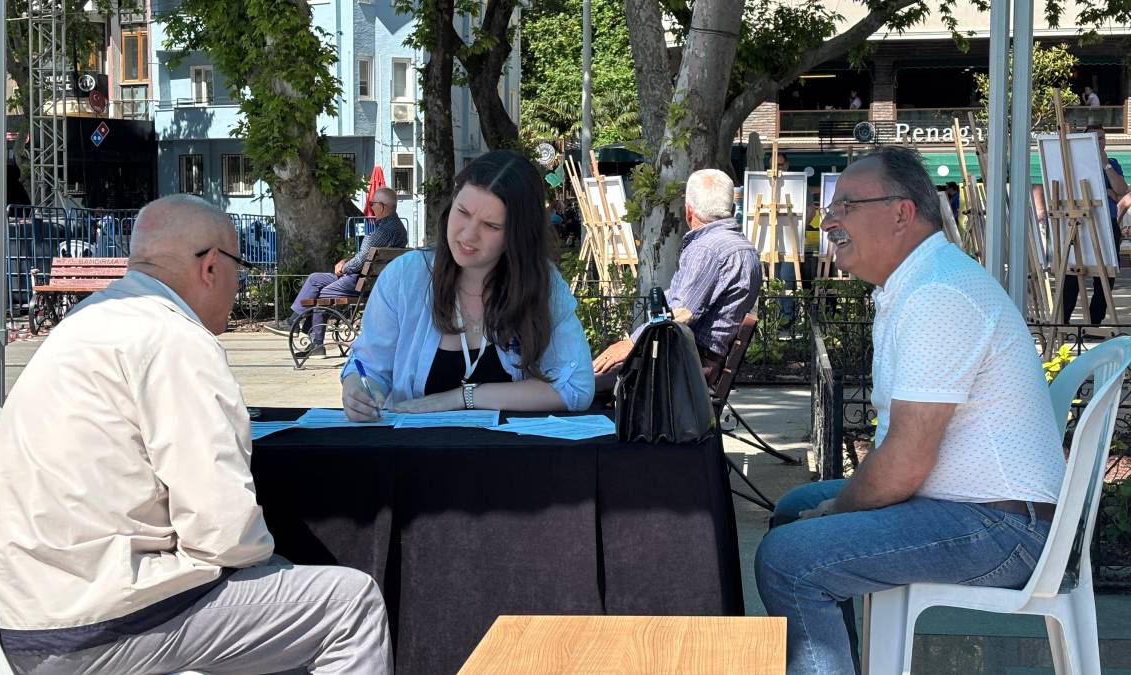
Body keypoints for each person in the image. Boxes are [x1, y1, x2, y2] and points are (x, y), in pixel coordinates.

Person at [0, 195, 393, 675]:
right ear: (211, 266)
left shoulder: (88, 319)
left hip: (16, 612)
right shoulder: (174, 339)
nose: (241, 282)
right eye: (241, 266)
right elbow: (223, 532)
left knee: (275, 596)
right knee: (349, 606)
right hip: (95, 623)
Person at [756, 146, 1063, 675]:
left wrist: (840, 510)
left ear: (901, 212)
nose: (826, 220)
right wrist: (833, 508)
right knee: (795, 510)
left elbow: (905, 460)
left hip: (1006, 528)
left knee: (789, 560)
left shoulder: (938, 292)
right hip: (980, 507)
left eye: (846, 206)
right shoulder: (920, 282)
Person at [341, 149, 594, 421]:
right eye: (462, 212)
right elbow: (368, 367)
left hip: (512, 460)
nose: (468, 235)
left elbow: (575, 389)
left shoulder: (543, 284)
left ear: (517, 235)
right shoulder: (405, 278)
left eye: (491, 225)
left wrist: (463, 397)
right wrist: (357, 388)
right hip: (414, 459)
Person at [592, 169, 761, 385]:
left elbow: (678, 316)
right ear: (732, 208)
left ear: (688, 211)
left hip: (682, 365)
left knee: (580, 385)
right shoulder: (745, 248)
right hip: (700, 362)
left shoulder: (706, 249)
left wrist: (629, 343)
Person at [265, 186, 407, 357]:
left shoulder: (380, 232)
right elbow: (366, 257)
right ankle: (292, 321)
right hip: (370, 279)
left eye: (372, 204)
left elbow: (361, 262)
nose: (371, 207)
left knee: (324, 293)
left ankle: (317, 343)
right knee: (314, 279)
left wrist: (345, 267)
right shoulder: (399, 229)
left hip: (359, 280)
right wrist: (347, 262)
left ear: (382, 206)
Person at [1060, 123, 1127, 325]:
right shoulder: (1074, 163)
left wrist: (1106, 166)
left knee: (1106, 275)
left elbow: (1122, 190)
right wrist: (1111, 195)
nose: (1100, 143)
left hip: (1107, 224)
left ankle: (1094, 322)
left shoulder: (1112, 163)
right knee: (1073, 273)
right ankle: (1062, 322)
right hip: (1079, 223)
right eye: (1095, 138)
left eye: (1102, 138)